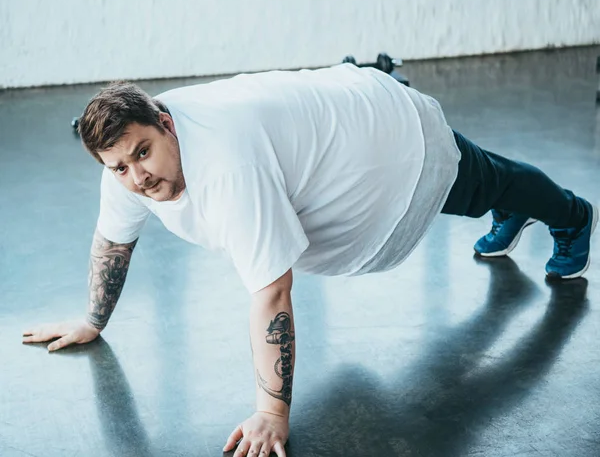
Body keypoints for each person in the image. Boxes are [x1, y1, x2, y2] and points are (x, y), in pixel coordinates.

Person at [22, 64, 597, 457]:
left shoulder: (227, 166)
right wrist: (92, 320)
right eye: (119, 166)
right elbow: (113, 242)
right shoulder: (126, 170)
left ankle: (572, 214)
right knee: (484, 190)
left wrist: (272, 414)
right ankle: (511, 210)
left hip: (389, 141)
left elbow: (271, 293)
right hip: (331, 134)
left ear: (166, 123)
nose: (137, 178)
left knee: (481, 182)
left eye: (143, 153)